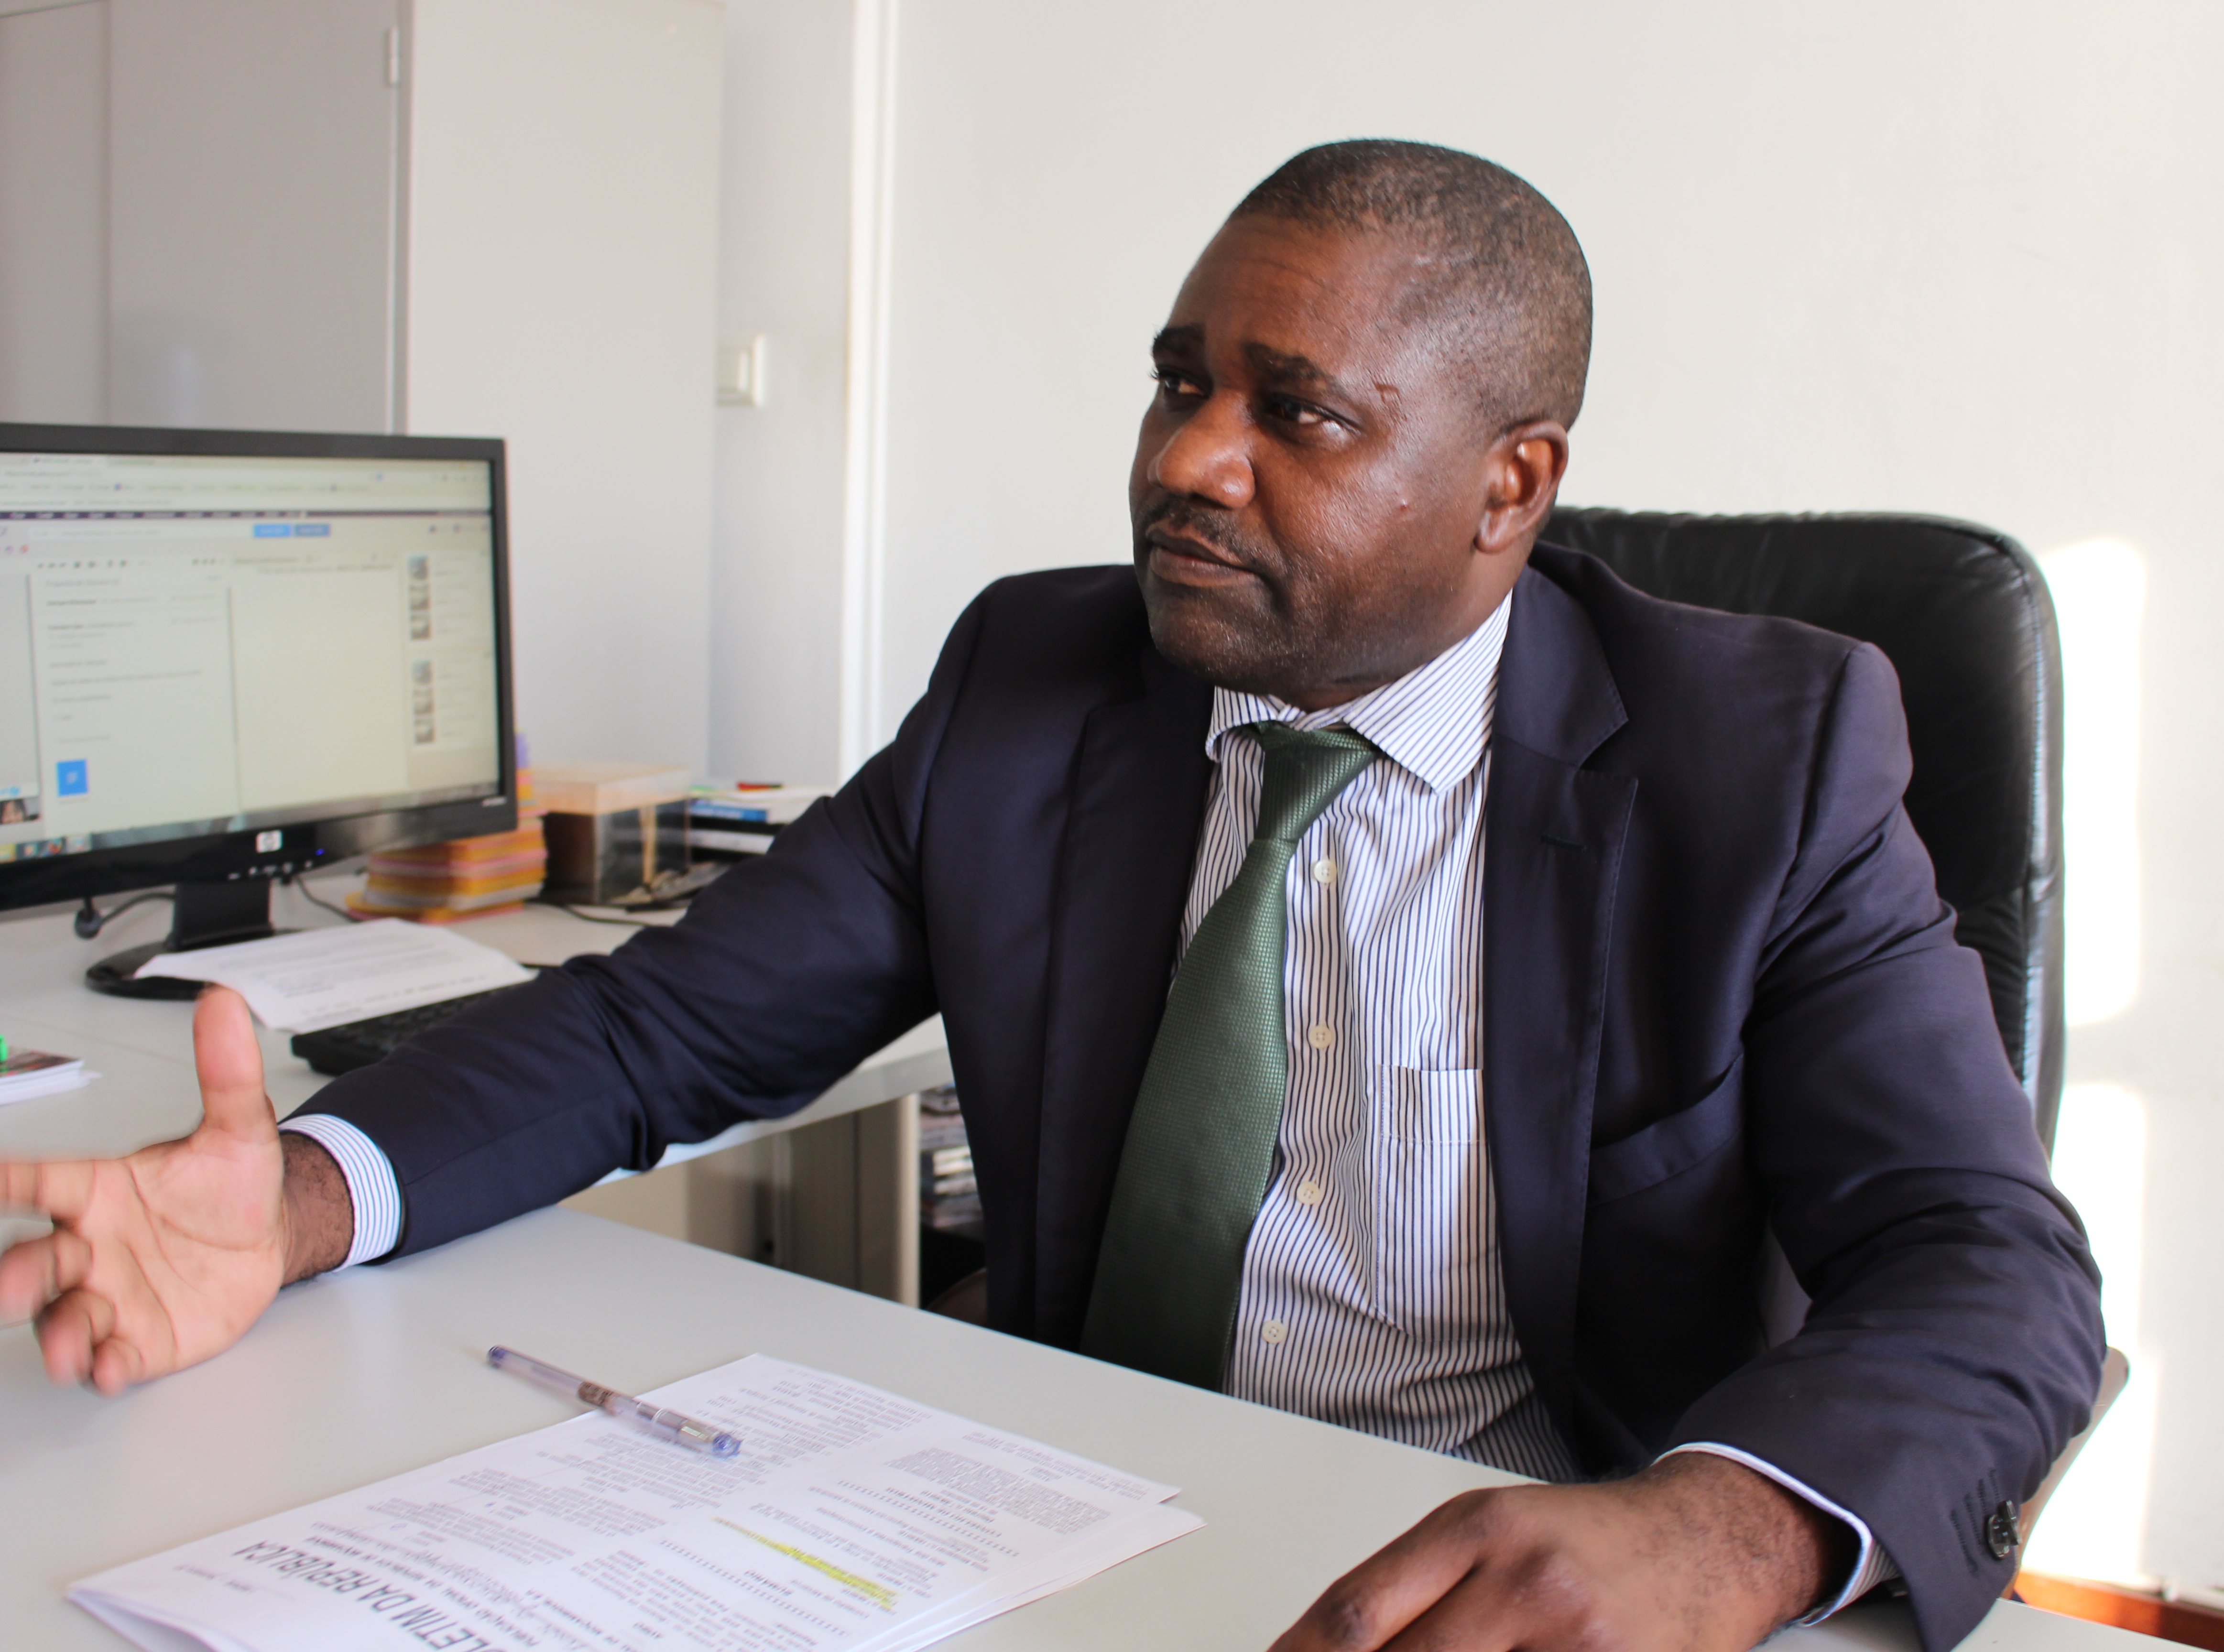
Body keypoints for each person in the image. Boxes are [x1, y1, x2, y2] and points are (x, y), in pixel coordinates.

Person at [0, 141, 2101, 1652]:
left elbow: (1982, 1264)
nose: (1189, 460)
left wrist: (1718, 1533)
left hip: (1502, 1569)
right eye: (1183, 381)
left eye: (1297, 416)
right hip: (1068, 1532)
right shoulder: (1040, 678)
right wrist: (300, 1198)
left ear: (1510, 485)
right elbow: (660, 1030)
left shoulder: (1762, 755)